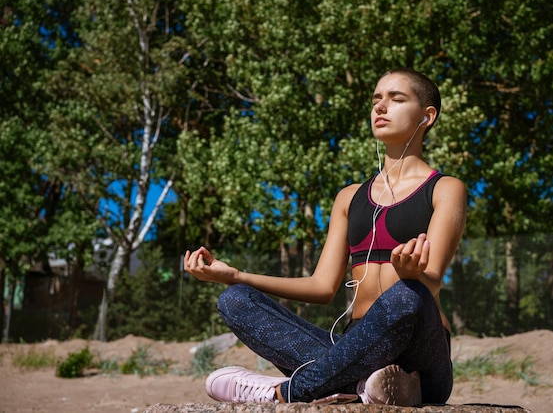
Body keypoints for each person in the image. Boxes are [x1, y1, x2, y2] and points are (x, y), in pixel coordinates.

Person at [183, 68, 467, 406]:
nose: (380, 107)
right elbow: (321, 287)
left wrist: (412, 275)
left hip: (421, 356)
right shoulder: (349, 198)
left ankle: (287, 391)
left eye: (396, 99)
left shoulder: (445, 188)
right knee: (235, 299)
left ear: (427, 116)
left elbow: (430, 283)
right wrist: (236, 276)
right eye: (376, 99)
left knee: (407, 295)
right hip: (354, 347)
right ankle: (367, 385)